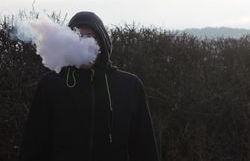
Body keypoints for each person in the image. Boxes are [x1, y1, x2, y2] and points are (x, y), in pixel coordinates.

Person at [18, 11, 160, 161]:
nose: (85, 43)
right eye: (79, 37)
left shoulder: (129, 85)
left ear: (102, 42)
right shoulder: (51, 84)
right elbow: (34, 143)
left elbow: (144, 146)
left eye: (91, 37)